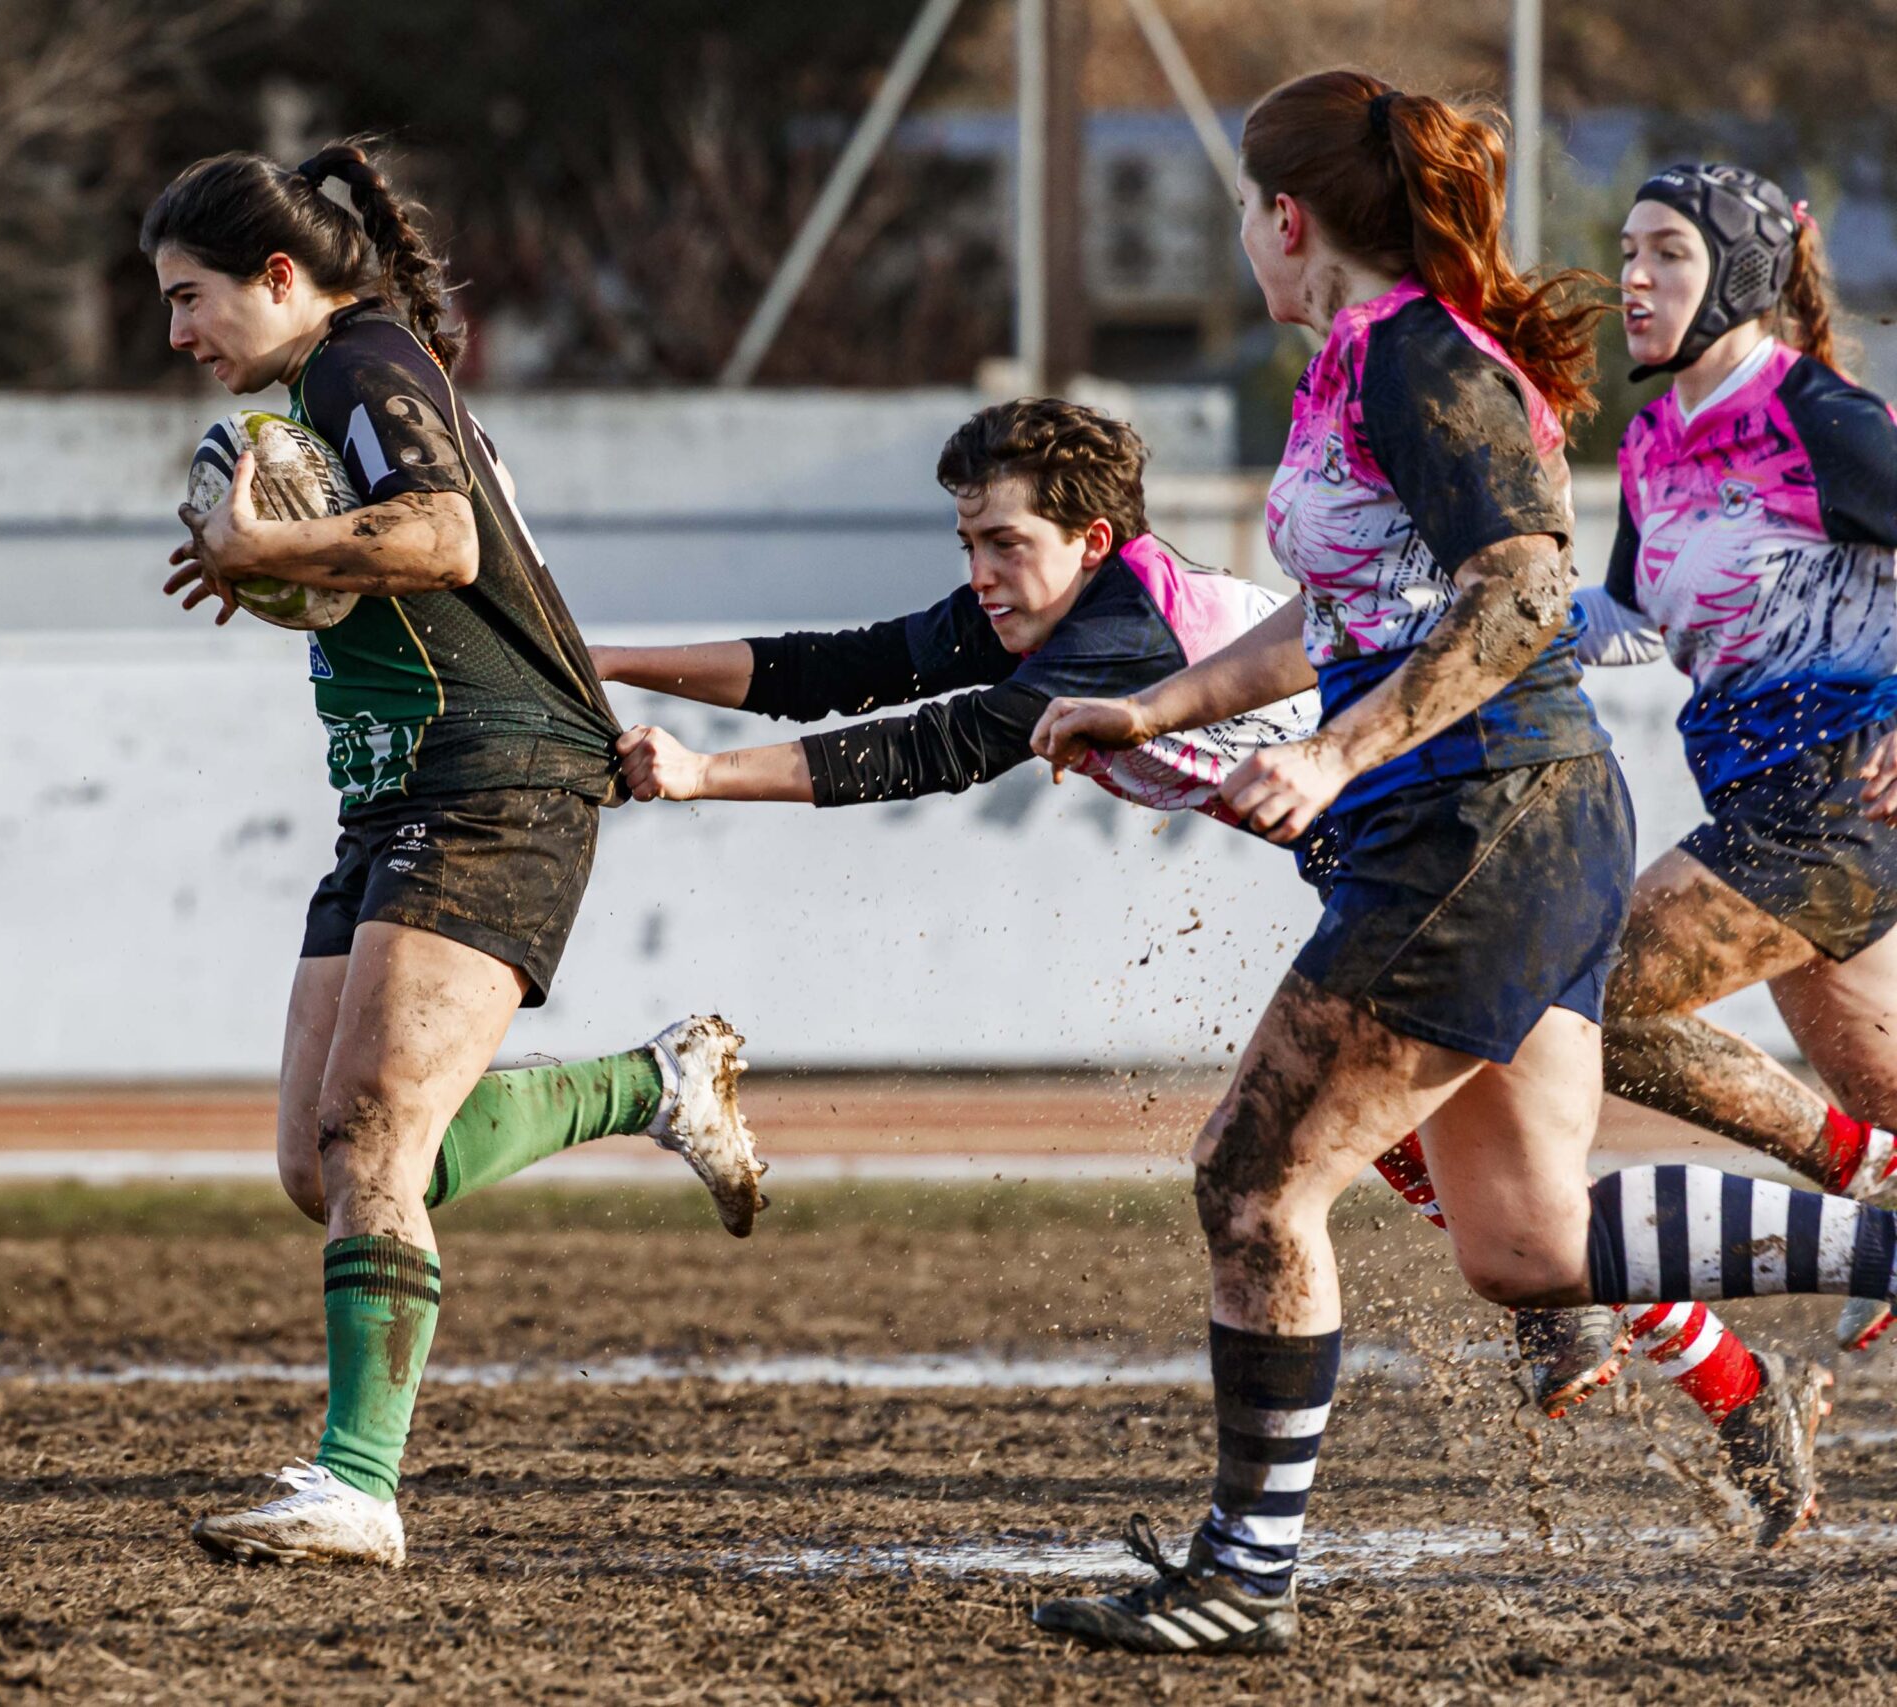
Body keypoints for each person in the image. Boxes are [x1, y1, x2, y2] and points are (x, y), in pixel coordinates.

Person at [595, 395, 1796, 1521]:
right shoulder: (1056, 603)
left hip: (1474, 851)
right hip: (1426, 864)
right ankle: (1718, 1359)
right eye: (967, 545)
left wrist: (701, 775)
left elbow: (934, 750)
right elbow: (832, 668)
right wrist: (613, 659)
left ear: (1093, 539)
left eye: (1001, 544)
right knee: (1461, 1187)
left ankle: (1761, 1300)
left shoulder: (1118, 635)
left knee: (1371, 1177)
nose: (978, 578)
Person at [1020, 74, 1864, 1657]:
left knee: (1254, 1181)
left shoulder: (1415, 354)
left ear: (1287, 217)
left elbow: (1529, 588)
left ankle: (1245, 1571)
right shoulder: (1360, 358)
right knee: (1529, 1245)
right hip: (1502, 816)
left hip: (1475, 818)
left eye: (1243, 217)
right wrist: (1167, 701)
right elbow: (1346, 614)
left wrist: (1332, 755)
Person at [144, 142, 768, 1567]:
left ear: (281, 277)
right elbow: (400, 548)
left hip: (496, 773)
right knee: (326, 1155)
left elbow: (441, 538)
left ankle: (356, 1485)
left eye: (191, 298)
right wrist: (279, 559)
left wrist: (270, 548)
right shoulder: (331, 383)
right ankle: (651, 1082)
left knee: (373, 1130)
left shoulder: (362, 363)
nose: (176, 334)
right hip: (396, 789)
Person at [1572, 165, 1897, 1355]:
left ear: (1742, 277)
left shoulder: (1818, 414)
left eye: (1666, 252)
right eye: (1625, 253)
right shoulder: (1653, 433)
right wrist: (1460, 622)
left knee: (1570, 988)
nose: (1632, 279)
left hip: (1839, 803)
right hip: (1761, 802)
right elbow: (1620, 621)